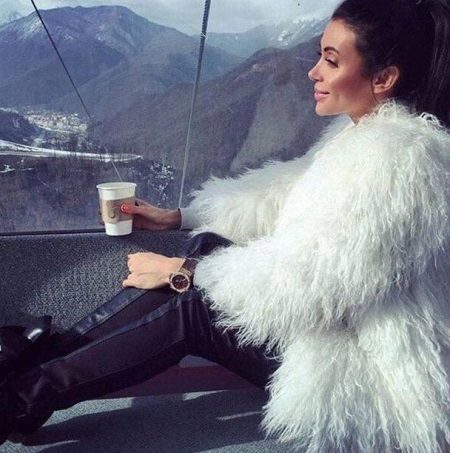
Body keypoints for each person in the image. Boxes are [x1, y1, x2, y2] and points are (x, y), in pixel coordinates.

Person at [2, 0, 450, 451]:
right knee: (207, 244)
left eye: (331, 61)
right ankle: (36, 365)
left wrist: (183, 273)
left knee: (194, 307)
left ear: (383, 78)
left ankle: (16, 400)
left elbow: (314, 284)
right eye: (319, 55)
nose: (313, 72)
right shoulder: (361, 135)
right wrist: (179, 218)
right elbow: (280, 194)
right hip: (338, 327)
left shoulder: (400, 161)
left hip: (364, 375)